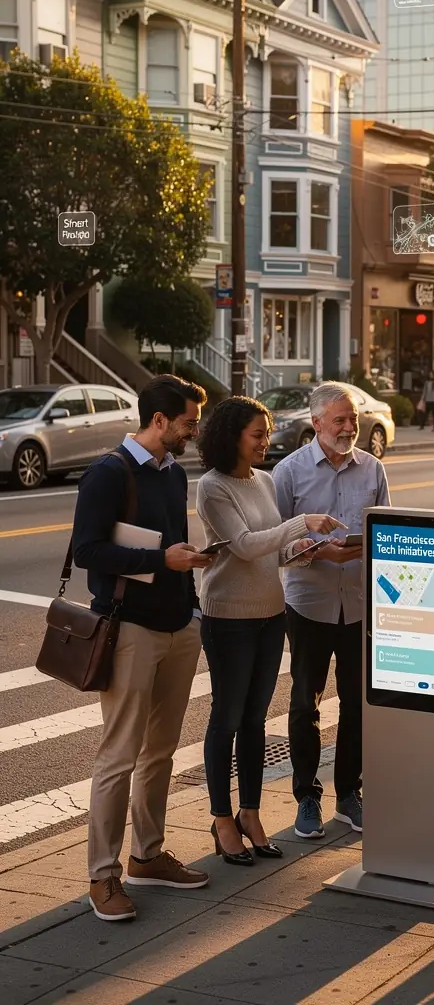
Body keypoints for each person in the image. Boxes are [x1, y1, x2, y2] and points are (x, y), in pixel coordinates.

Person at [73, 374, 213, 922]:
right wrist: (163, 564)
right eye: (187, 423)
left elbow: (172, 544)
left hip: (179, 626)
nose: (192, 433)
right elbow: (87, 551)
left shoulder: (174, 473)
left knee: (161, 752)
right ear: (159, 421)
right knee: (118, 755)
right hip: (129, 628)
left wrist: (191, 594)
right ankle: (102, 876)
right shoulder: (109, 474)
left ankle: (147, 855)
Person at [196, 397, 343, 865]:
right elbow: (242, 546)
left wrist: (300, 547)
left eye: (266, 433)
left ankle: (251, 814)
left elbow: (271, 550)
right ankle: (222, 819)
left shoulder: (262, 480)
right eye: (257, 435)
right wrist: (301, 522)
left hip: (269, 614)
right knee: (228, 718)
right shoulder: (213, 487)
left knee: (257, 722)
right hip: (228, 617)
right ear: (231, 437)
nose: (265, 442)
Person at [274, 382, 391, 840]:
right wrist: (320, 553)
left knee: (359, 704)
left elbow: (386, 529)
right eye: (339, 420)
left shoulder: (373, 469)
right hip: (309, 604)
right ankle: (306, 795)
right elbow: (274, 546)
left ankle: (349, 794)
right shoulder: (288, 473)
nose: (348, 428)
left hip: (360, 602)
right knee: (306, 702)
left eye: (353, 420)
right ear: (317, 422)